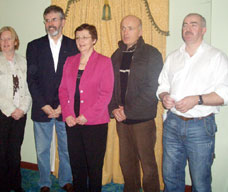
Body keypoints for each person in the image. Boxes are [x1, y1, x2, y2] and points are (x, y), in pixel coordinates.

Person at [157, 13, 228, 192]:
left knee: (200, 181)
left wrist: (197, 99)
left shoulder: (216, 57)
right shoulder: (173, 57)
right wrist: (164, 96)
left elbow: (225, 94)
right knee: (170, 177)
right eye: (185, 24)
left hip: (201, 126)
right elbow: (162, 85)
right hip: (172, 123)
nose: (188, 28)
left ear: (203, 30)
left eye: (193, 24)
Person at [26, 5, 78, 192]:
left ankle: (65, 179)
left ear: (63, 22)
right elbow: (31, 79)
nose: (50, 24)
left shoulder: (74, 45)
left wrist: (64, 106)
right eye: (47, 20)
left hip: (66, 109)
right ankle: (44, 183)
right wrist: (44, 105)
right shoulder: (34, 46)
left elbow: (76, 80)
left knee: (66, 149)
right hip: (42, 109)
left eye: (54, 19)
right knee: (42, 151)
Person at [108, 15, 163, 192]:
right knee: (126, 162)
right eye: (123, 28)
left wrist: (128, 111)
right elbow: (109, 86)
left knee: (147, 164)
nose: (126, 32)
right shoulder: (116, 55)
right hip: (121, 120)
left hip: (142, 119)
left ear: (140, 31)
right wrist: (113, 109)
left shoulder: (151, 54)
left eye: (130, 28)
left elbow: (152, 88)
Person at [59, 23, 114, 192]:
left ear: (94, 40)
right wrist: (67, 114)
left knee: (94, 166)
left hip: (95, 123)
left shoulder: (104, 62)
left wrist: (87, 115)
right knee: (77, 164)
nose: (80, 41)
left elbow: (106, 94)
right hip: (72, 121)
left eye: (85, 37)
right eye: (78, 37)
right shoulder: (70, 61)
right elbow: (62, 90)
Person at [0, 26, 31, 192]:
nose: (5, 42)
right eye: (2, 39)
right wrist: (12, 109)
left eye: (8, 38)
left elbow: (28, 89)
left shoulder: (24, 61)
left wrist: (22, 109)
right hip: (1, 115)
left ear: (15, 41)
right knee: (1, 152)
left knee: (15, 152)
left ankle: (15, 184)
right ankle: (2, 187)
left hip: (20, 114)